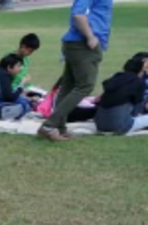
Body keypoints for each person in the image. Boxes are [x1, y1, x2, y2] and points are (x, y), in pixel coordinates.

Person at [38, 0, 115, 142]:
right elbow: (78, 15)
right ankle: (49, 126)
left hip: (77, 43)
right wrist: (90, 36)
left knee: (68, 86)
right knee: (85, 86)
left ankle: (60, 128)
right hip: (83, 45)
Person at [95, 52, 148, 134]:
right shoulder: (139, 82)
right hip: (121, 127)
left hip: (99, 125)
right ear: (142, 67)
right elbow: (137, 111)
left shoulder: (117, 77)